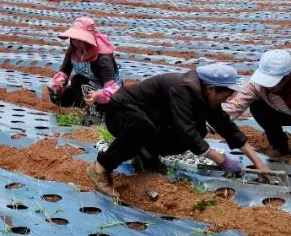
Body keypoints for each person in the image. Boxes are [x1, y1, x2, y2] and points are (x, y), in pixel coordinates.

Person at [85, 63, 270, 195]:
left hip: (148, 120)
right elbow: (186, 131)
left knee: (198, 131)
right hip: (120, 114)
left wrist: (259, 165)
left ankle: (146, 156)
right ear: (212, 89)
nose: (227, 99)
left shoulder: (206, 95)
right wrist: (222, 160)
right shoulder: (183, 89)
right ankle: (100, 168)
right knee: (145, 128)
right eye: (225, 95)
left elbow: (227, 127)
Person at [47, 17, 120, 109]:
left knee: (76, 79)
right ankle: (84, 104)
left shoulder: (102, 58)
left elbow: (113, 88)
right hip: (87, 87)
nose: (77, 43)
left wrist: (97, 95)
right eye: (74, 39)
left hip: (106, 94)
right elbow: (64, 72)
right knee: (60, 99)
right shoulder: (72, 51)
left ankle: (93, 110)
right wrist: (57, 85)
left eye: (81, 40)